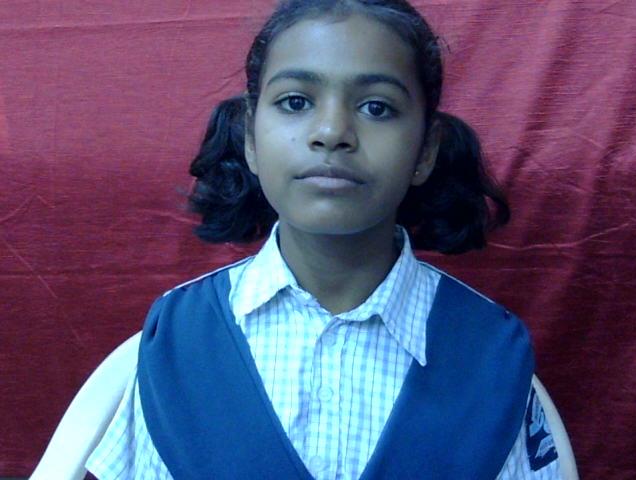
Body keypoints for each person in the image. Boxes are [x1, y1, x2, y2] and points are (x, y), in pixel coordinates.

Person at [84, 0, 566, 478]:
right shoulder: (178, 337)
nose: (332, 132)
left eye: (377, 107)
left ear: (426, 149)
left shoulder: (488, 353)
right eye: (296, 102)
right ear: (250, 137)